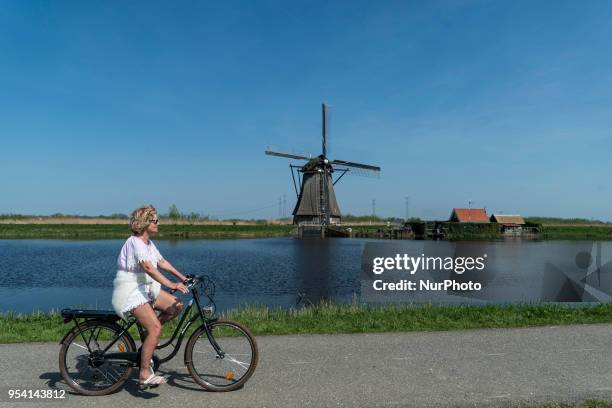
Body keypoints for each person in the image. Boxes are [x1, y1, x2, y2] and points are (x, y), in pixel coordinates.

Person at [111, 205, 189, 389]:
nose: (158, 223)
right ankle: (144, 373)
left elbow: (161, 262)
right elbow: (148, 267)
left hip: (145, 289)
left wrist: (183, 277)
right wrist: (171, 285)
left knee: (176, 305)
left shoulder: (148, 243)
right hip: (130, 291)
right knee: (155, 329)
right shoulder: (135, 242)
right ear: (146, 223)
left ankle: (149, 337)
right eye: (155, 220)